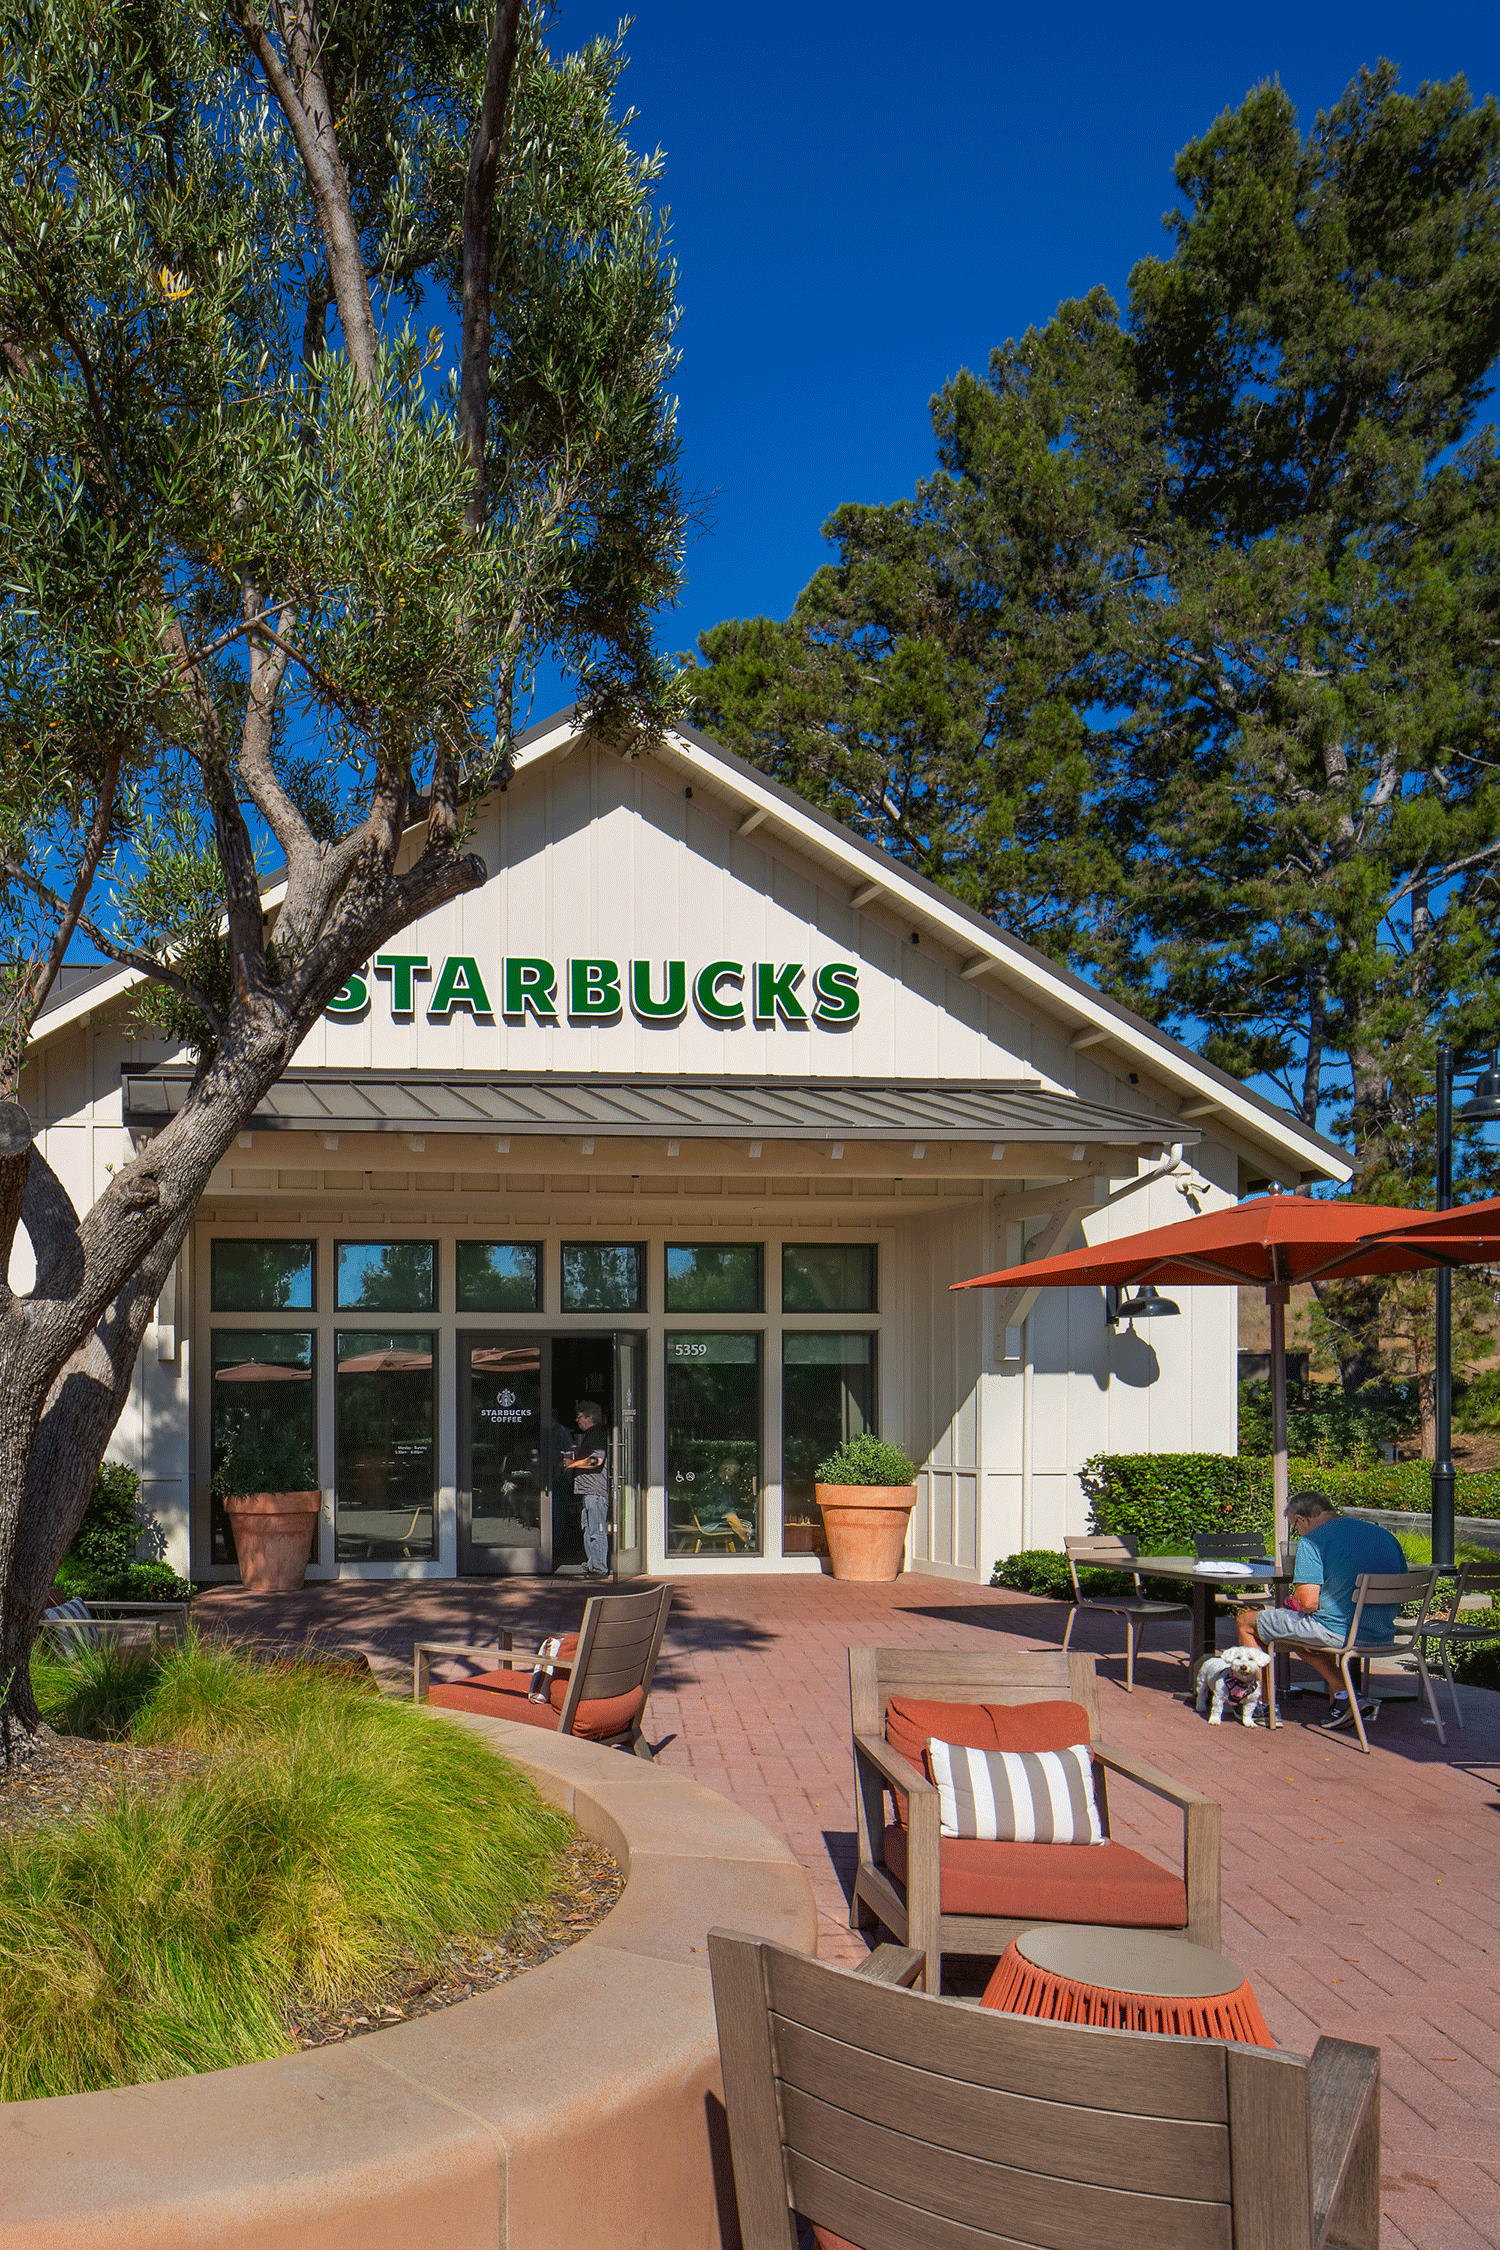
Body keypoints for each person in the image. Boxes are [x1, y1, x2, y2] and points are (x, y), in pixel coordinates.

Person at [1235, 1489, 1407, 1731]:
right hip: (1382, 1634)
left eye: (1296, 1527)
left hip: (1337, 1633)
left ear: (1302, 1520)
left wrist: (1297, 1601)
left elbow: (1308, 1603)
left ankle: (1263, 1705)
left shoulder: (1313, 1540)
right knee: (1303, 1632)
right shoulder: (1385, 1536)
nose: (1299, 1532)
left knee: (1246, 1622)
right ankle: (1345, 1695)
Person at [563, 1400, 610, 1577]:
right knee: (589, 1528)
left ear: (590, 1417)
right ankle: (593, 1563)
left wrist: (573, 1463)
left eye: (580, 1416)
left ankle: (599, 1567)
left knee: (596, 1530)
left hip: (595, 1491)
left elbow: (596, 1460)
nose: (577, 1420)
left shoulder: (596, 1434)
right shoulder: (593, 1434)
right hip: (590, 1491)